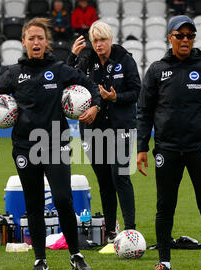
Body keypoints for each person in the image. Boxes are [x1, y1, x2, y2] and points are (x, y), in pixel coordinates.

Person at [0, 17, 101, 270]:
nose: (36, 42)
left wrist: (95, 105)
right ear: (23, 42)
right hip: (25, 147)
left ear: (47, 42)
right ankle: (40, 259)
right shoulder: (13, 73)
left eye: (40, 38)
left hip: (56, 143)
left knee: (63, 198)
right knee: (33, 203)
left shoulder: (58, 69)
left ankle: (75, 254)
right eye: (31, 38)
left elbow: (89, 84)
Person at [136, 15, 201, 270]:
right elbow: (144, 111)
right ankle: (164, 264)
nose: (185, 40)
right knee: (164, 207)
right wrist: (141, 147)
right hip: (167, 150)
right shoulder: (157, 70)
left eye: (190, 36)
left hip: (200, 149)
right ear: (169, 37)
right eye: (180, 35)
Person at [68, 21, 141, 242]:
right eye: (95, 40)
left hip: (120, 125)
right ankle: (110, 231)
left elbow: (136, 91)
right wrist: (72, 57)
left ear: (111, 39)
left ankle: (130, 231)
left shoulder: (125, 59)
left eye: (103, 40)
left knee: (120, 176)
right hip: (92, 127)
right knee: (104, 180)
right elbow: (69, 83)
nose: (99, 45)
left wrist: (115, 97)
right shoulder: (85, 60)